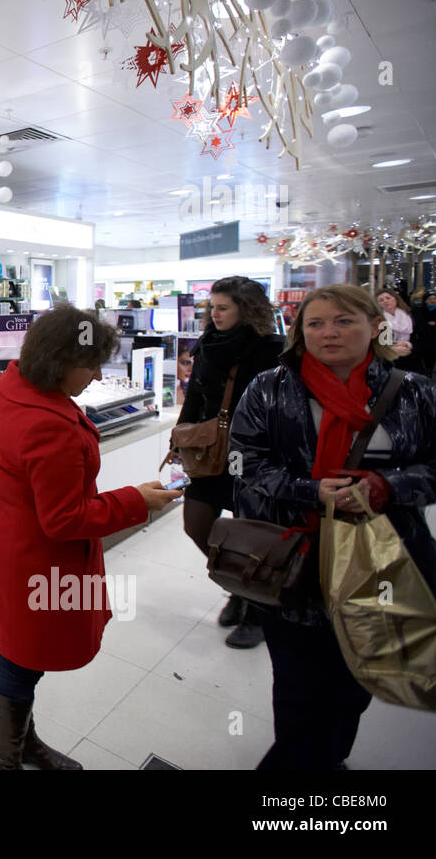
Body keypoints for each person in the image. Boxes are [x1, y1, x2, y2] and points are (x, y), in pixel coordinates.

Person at [230, 284, 436, 770]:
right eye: (315, 323)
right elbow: (242, 465)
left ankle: (327, 753)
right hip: (295, 562)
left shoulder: (416, 393)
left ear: (373, 326)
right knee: (299, 683)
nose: (329, 333)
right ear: (299, 331)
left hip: (381, 561)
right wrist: (310, 490)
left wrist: (389, 486)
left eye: (344, 321)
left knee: (356, 678)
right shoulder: (269, 388)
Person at [0, 304, 181, 769]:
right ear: (62, 361)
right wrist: (137, 501)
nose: (95, 375)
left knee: (15, 649)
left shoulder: (10, 386)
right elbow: (63, 519)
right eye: (90, 365)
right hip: (38, 560)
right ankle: (3, 759)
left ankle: (19, 743)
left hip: (7, 544)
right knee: (24, 657)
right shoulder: (50, 426)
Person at [176, 276, 284, 649]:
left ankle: (255, 606)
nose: (214, 314)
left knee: (250, 532)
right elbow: (195, 395)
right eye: (213, 307)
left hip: (253, 455)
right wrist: (180, 435)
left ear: (246, 308)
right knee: (196, 523)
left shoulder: (271, 350)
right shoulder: (208, 344)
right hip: (211, 451)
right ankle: (239, 584)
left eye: (223, 307)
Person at [376, 288, 421, 372]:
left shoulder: (412, 315)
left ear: (395, 299)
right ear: (378, 304)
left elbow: (425, 339)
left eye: (388, 298)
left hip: (412, 361)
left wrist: (408, 344)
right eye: (381, 300)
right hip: (388, 363)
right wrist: (391, 349)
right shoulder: (377, 320)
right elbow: (375, 343)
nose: (385, 301)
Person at [412, 290, 436, 377]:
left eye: (434, 298)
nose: (433, 300)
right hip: (423, 339)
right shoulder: (420, 311)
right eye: (430, 299)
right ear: (426, 300)